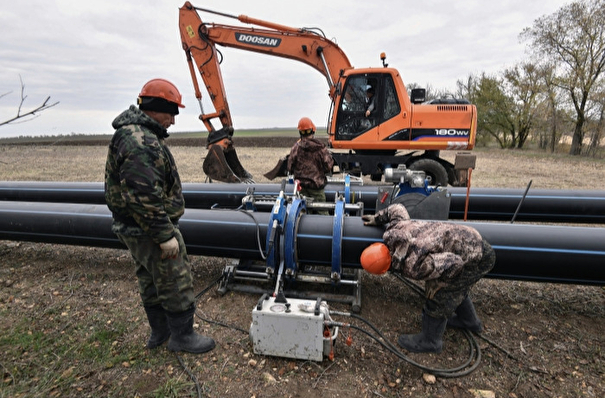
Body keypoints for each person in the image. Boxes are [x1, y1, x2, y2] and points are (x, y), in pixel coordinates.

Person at [104, 78, 215, 354]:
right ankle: (182, 336)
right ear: (156, 107)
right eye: (172, 113)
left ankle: (160, 332)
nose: (173, 121)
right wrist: (165, 235)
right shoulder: (141, 141)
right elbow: (144, 196)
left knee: (150, 278)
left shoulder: (133, 134)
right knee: (174, 279)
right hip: (149, 228)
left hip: (136, 227)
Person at [361, 203, 495, 353]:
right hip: (470, 240)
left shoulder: (413, 266)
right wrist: (378, 218)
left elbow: (455, 263)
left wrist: (439, 282)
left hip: (476, 258)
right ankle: (470, 322)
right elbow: (397, 209)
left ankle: (431, 341)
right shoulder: (396, 228)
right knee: (457, 290)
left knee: (441, 295)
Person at [287, 117, 335, 215]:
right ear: (313, 130)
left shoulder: (295, 148)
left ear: (300, 132)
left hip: (301, 188)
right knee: (323, 214)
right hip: (316, 188)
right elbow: (328, 166)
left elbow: (290, 167)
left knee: (302, 216)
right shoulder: (320, 148)